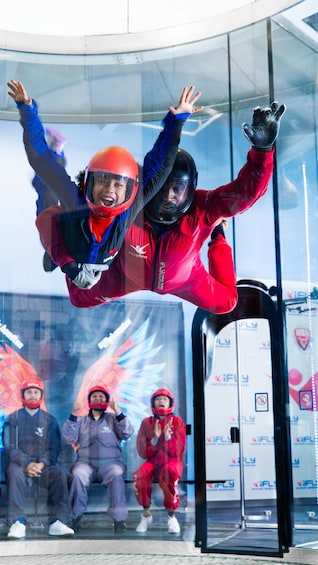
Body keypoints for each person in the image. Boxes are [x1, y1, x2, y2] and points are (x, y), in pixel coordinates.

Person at [39, 101, 285, 312]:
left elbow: (246, 193)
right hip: (123, 273)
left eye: (177, 189)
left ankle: (218, 235)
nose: (168, 196)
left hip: (185, 279)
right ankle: (51, 170)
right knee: (78, 298)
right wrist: (64, 256)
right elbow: (56, 217)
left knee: (227, 303)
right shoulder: (130, 202)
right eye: (163, 187)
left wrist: (263, 151)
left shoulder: (204, 207)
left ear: (190, 189)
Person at [7, 79, 202, 290]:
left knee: (49, 196)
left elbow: (160, 164)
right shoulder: (77, 200)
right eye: (103, 181)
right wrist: (28, 112)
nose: (109, 189)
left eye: (118, 185)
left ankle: (57, 155)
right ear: (89, 182)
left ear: (130, 189)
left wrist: (177, 120)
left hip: (78, 257)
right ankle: (57, 156)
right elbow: (39, 159)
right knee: (46, 198)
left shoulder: (131, 205)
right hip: (64, 233)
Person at [3, 379, 74, 539]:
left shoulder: (50, 420)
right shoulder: (12, 419)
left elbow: (55, 447)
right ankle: (18, 522)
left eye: (36, 392)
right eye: (29, 392)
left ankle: (57, 522)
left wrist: (42, 463)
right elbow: (9, 445)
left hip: (43, 466)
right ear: (23, 395)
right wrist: (27, 464)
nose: (33, 395)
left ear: (41, 395)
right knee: (14, 473)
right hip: (19, 465)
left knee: (58, 475)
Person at [62, 385, 133, 533]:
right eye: (94, 396)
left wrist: (118, 411)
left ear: (107, 400)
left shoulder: (113, 418)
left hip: (110, 463)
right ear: (89, 401)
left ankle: (119, 520)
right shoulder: (81, 420)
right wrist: (73, 414)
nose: (98, 399)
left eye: (101, 397)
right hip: (85, 463)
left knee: (116, 475)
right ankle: (76, 517)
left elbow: (127, 433)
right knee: (77, 475)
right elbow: (69, 438)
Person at [134, 388, 186, 534]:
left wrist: (168, 438)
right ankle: (146, 515)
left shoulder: (177, 422)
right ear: (153, 403)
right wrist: (155, 439)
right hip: (153, 461)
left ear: (170, 403)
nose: (161, 401)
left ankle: (171, 516)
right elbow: (143, 452)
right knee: (141, 474)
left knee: (169, 473)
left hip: (172, 461)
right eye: (158, 399)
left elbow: (179, 451)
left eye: (164, 399)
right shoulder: (146, 423)